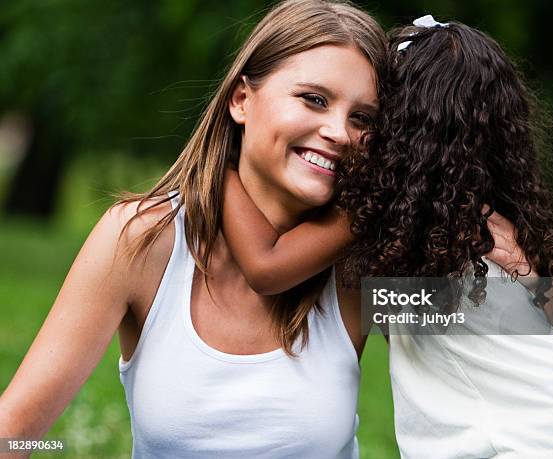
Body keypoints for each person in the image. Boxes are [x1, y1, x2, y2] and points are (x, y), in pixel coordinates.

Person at [0, 1, 389, 458]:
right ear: (241, 100)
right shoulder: (143, 242)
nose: (339, 132)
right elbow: (14, 429)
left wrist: (486, 230)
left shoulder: (361, 271)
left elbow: (484, 322)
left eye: (362, 118)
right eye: (314, 99)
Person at [220, 15, 553, 458]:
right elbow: (443, 311)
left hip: (520, 441)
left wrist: (223, 167)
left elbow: (266, 268)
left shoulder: (397, 218)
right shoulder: (473, 223)